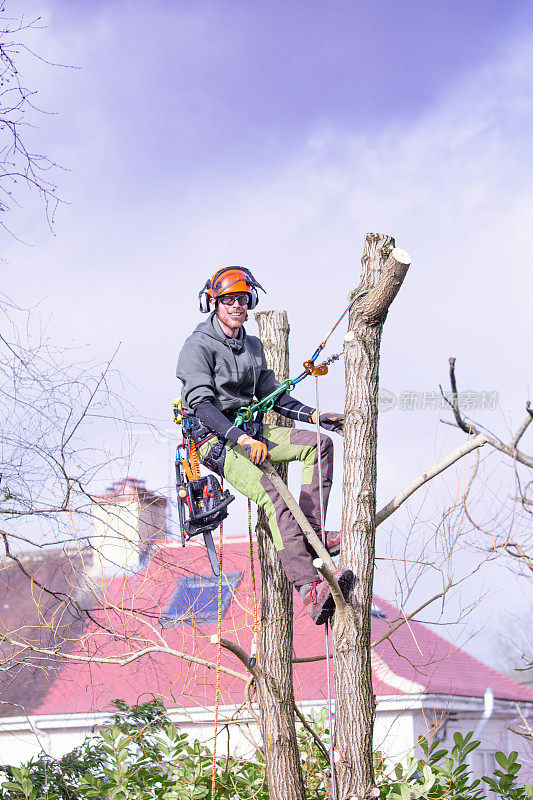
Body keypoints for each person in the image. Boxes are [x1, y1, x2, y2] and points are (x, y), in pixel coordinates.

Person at [176, 266, 353, 624]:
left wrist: (316, 416)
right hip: (217, 440)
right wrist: (239, 438)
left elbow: (273, 397)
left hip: (253, 432)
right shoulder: (197, 346)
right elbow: (202, 405)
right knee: (274, 496)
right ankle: (309, 590)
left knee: (319, 445)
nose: (237, 306)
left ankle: (312, 532)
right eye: (228, 300)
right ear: (215, 303)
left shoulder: (253, 346)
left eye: (242, 299)